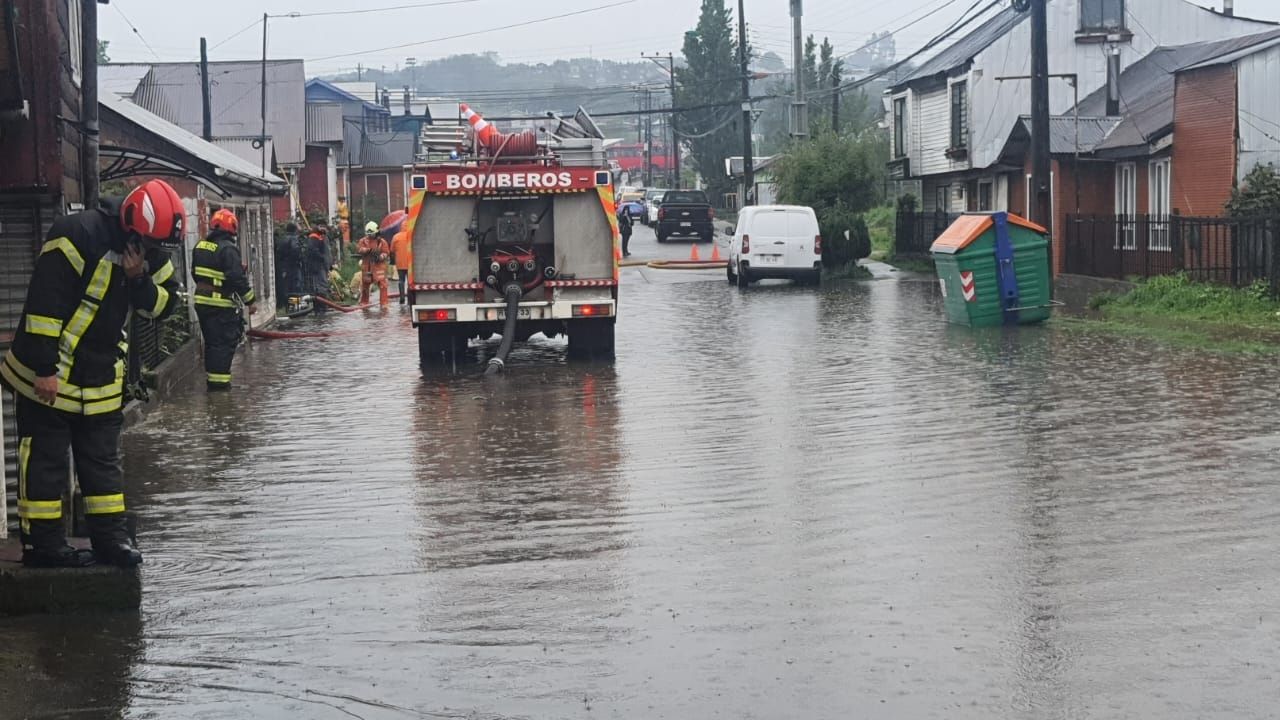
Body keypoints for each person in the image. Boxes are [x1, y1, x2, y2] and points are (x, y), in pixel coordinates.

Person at [1, 180, 183, 568]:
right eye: (148, 245)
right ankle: (45, 546)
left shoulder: (152, 248)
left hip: (100, 378)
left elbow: (167, 306)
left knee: (102, 464)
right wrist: (45, 369)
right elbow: (43, 307)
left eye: (157, 248)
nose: (151, 253)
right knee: (46, 461)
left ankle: (110, 541)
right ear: (131, 225)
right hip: (48, 376)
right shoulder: (77, 234)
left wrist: (139, 280)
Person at [192, 209, 256, 392]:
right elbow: (236, 278)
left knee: (212, 344)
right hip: (220, 306)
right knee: (223, 344)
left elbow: (195, 274)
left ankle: (213, 384)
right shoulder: (228, 248)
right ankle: (220, 390)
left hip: (202, 304)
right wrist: (250, 301)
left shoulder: (200, 246)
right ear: (232, 228)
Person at [356, 221, 391, 307]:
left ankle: (384, 304)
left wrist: (380, 257)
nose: (370, 236)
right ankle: (364, 303)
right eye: (368, 234)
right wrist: (368, 250)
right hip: (367, 267)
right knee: (365, 287)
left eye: (371, 234)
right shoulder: (363, 241)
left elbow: (386, 252)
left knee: (383, 286)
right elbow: (359, 249)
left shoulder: (382, 242)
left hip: (378, 268)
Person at [305, 225, 331, 311]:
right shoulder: (314, 239)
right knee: (320, 286)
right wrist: (322, 258)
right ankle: (321, 306)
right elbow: (315, 252)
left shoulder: (318, 239)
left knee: (320, 285)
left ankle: (321, 305)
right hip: (317, 267)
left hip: (319, 266)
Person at [275, 222, 301, 297]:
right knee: (295, 286)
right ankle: (294, 304)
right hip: (293, 266)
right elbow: (295, 251)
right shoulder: (294, 239)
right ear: (295, 230)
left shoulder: (282, 239)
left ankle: (287, 304)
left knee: (286, 286)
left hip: (283, 266)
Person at [390, 220, 412, 305]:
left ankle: (402, 297)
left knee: (401, 280)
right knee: (410, 282)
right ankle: (410, 299)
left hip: (400, 263)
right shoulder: (411, 235)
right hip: (410, 264)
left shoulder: (396, 237)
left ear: (401, 227)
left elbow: (391, 250)